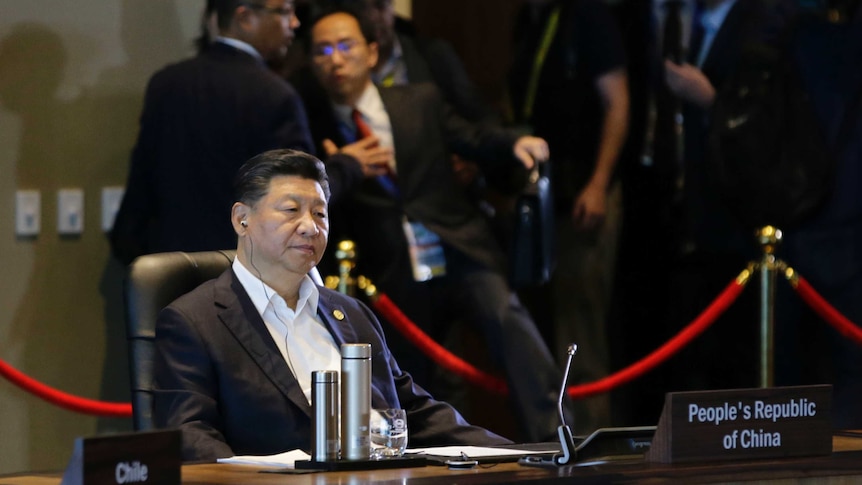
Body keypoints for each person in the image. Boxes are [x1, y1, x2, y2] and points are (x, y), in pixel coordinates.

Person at [303, 6, 568, 443]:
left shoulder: (418, 99)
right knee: (414, 373)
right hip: (387, 271)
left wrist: (516, 140)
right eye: (322, 51)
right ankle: (436, 455)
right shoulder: (310, 124)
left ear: (371, 53)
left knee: (510, 324)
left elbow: (475, 137)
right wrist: (340, 167)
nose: (335, 59)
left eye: (345, 46)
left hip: (457, 245)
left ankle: (557, 440)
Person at [152, 149, 510, 461]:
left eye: (320, 214)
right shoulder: (194, 321)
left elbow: (414, 412)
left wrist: (517, 454)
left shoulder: (351, 313)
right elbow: (191, 438)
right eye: (291, 210)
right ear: (241, 219)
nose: (309, 227)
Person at [110, 0, 313, 264]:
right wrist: (349, 165)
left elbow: (142, 185)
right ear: (245, 18)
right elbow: (297, 194)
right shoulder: (275, 95)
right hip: (241, 271)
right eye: (284, 12)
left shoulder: (165, 83)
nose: (295, 22)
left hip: (166, 268)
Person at [505, 0, 629, 435]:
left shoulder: (588, 16)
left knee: (580, 328)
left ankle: (590, 441)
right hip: (542, 198)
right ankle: (553, 436)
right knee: (541, 324)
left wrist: (599, 183)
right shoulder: (530, 18)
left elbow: (618, 102)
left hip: (584, 192)